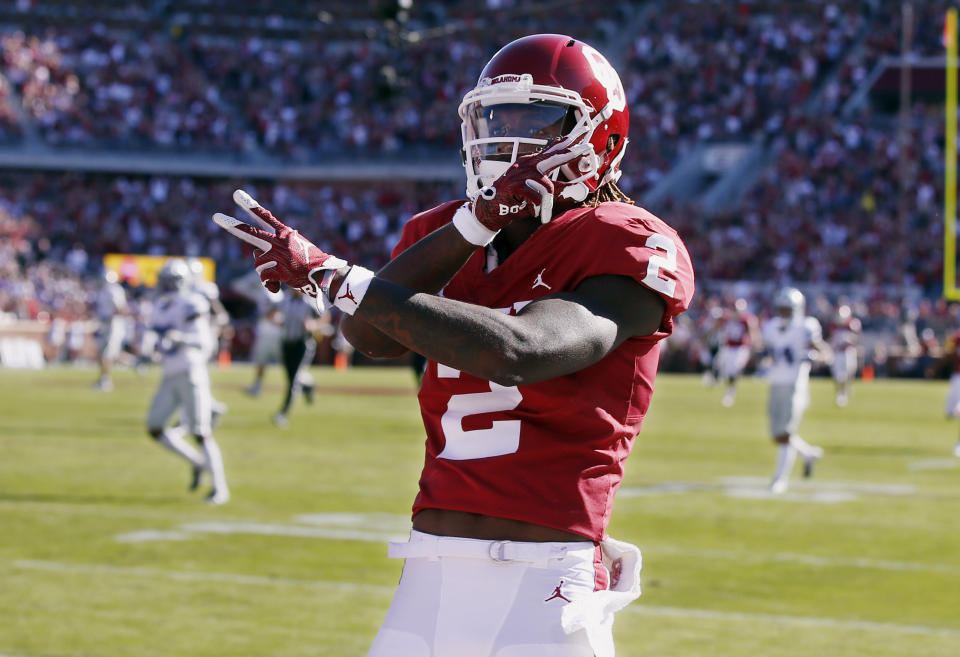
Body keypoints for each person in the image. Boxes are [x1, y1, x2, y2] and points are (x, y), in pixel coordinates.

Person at [213, 34, 694, 657]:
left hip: (548, 573)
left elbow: (521, 351)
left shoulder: (625, 238)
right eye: (496, 119)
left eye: (537, 121)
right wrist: (475, 224)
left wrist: (335, 275)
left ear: (597, 136)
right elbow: (368, 335)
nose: (509, 140)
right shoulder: (443, 233)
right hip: (431, 565)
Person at [144, 258, 230, 505]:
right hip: (169, 373)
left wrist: (179, 337)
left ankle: (219, 488)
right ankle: (197, 462)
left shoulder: (193, 303)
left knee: (200, 433)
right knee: (155, 427)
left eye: (168, 281)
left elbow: (205, 343)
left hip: (191, 372)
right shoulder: (160, 306)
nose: (164, 285)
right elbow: (156, 337)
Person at [761, 287, 830, 494]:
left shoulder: (806, 326)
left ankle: (780, 479)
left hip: (795, 383)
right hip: (776, 381)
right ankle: (808, 454)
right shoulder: (771, 327)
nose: (783, 313)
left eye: (787, 309)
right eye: (781, 309)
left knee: (785, 432)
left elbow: (824, 353)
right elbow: (767, 352)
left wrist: (815, 357)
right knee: (777, 435)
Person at [185, 257, 230, 425]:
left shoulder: (204, 289)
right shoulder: (190, 290)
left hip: (202, 338)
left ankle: (202, 411)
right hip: (193, 337)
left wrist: (212, 330)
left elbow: (221, 314)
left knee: (193, 374)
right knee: (194, 375)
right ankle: (209, 407)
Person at [272, 288, 325, 427]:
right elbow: (271, 313)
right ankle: (308, 386)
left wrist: (313, 325)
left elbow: (324, 317)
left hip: (302, 344)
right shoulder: (285, 301)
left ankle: (283, 413)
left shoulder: (309, 302)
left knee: (293, 380)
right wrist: (276, 319)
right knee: (291, 377)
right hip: (286, 343)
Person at [230, 269, 284, 397]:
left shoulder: (269, 293)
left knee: (277, 361)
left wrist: (270, 319)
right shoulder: (274, 293)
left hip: (270, 333)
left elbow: (271, 314)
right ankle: (257, 386)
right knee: (262, 362)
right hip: (271, 332)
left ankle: (301, 382)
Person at [714, 297, 760, 407]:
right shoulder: (726, 318)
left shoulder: (746, 320)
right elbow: (716, 328)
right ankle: (720, 382)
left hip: (740, 348)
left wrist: (755, 345)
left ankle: (730, 391)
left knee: (734, 369)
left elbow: (753, 333)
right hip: (728, 347)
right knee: (721, 366)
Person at [92, 269, 129, 391]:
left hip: (113, 324)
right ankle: (103, 378)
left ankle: (106, 381)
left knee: (107, 354)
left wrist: (108, 316)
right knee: (103, 353)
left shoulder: (114, 290)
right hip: (105, 324)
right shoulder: (103, 291)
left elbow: (121, 309)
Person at [827, 303, 861, 407]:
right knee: (838, 375)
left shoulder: (852, 324)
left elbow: (856, 338)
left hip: (848, 353)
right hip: (837, 353)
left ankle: (844, 391)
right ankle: (840, 393)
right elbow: (830, 339)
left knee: (847, 374)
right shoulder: (833, 326)